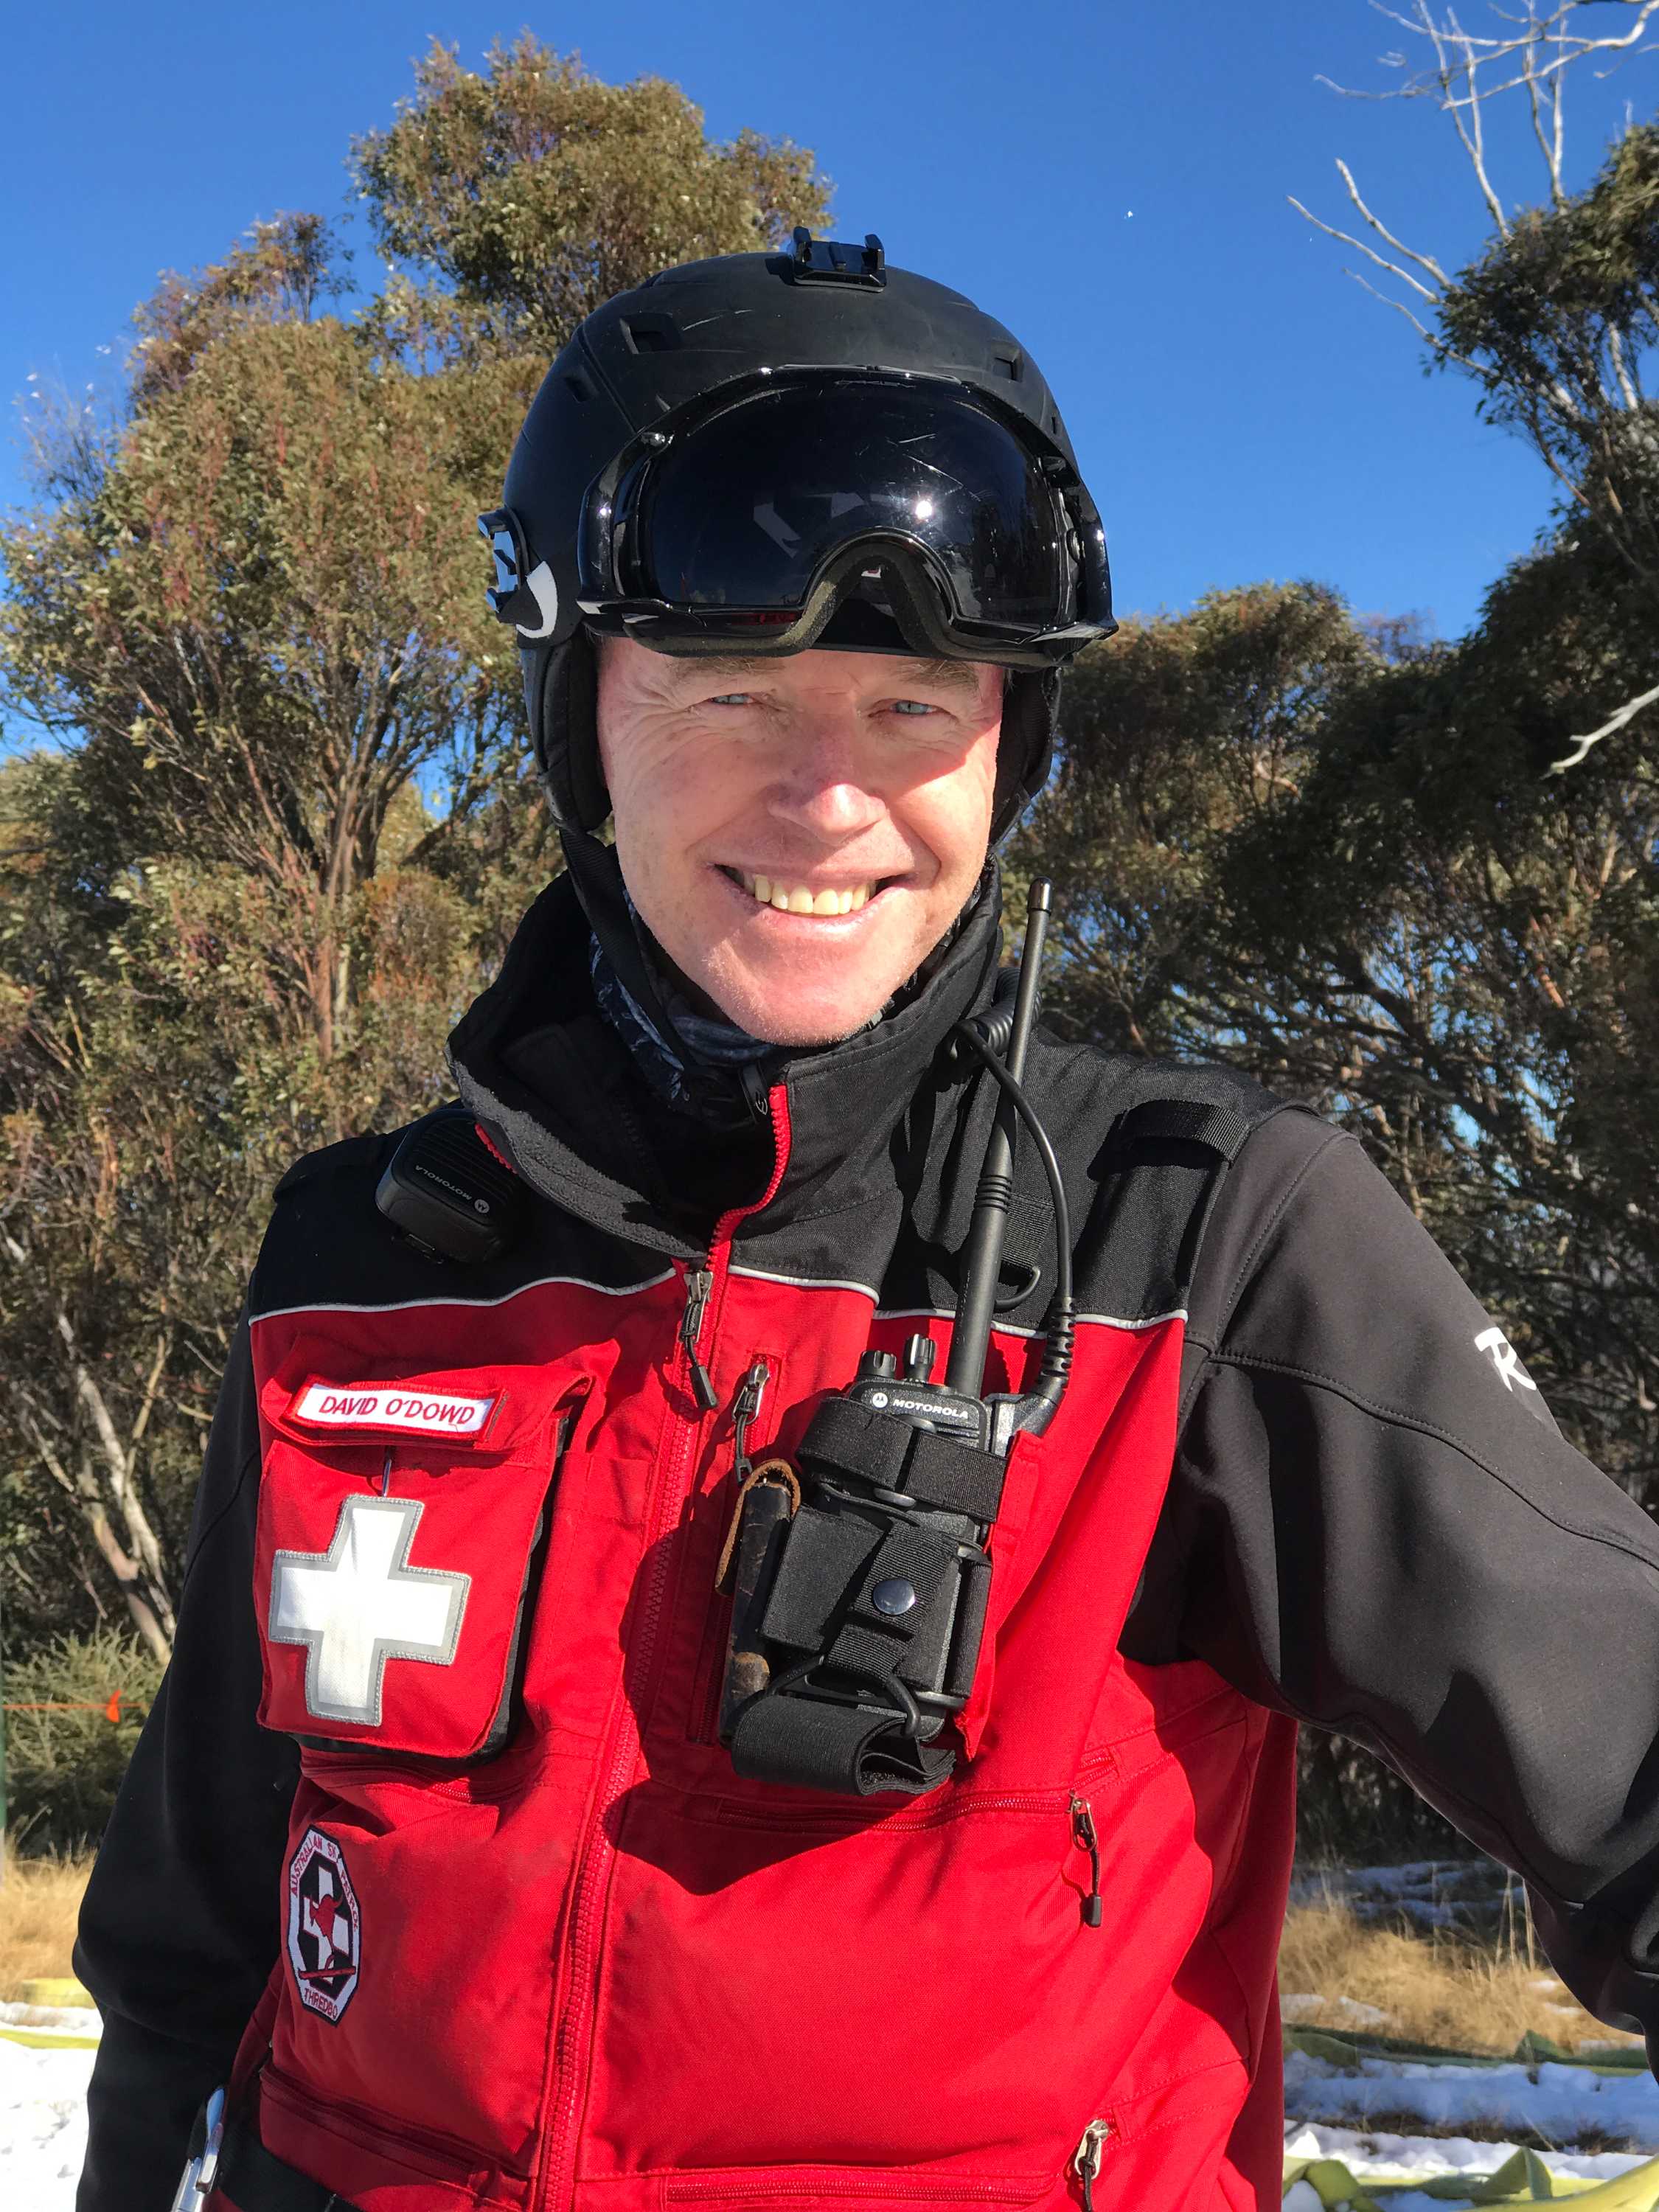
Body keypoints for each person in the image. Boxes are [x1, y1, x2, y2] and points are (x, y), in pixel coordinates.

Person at [74, 229, 1659, 2212]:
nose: (831, 795)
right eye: (734, 686)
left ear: (1012, 749)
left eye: (915, 702)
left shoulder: (1206, 1239)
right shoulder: (361, 1259)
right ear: (580, 715)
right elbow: (195, 1923)